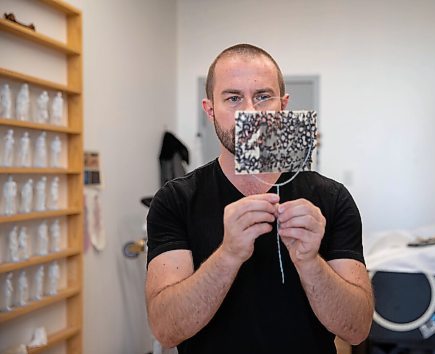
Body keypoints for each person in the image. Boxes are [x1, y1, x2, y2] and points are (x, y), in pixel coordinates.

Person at [145, 44, 374, 354]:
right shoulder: (175, 200)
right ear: (210, 108)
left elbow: (357, 329)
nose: (250, 112)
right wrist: (228, 255)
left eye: (263, 97)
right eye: (233, 98)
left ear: (283, 105)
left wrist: (309, 261)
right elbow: (166, 330)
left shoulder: (331, 198)